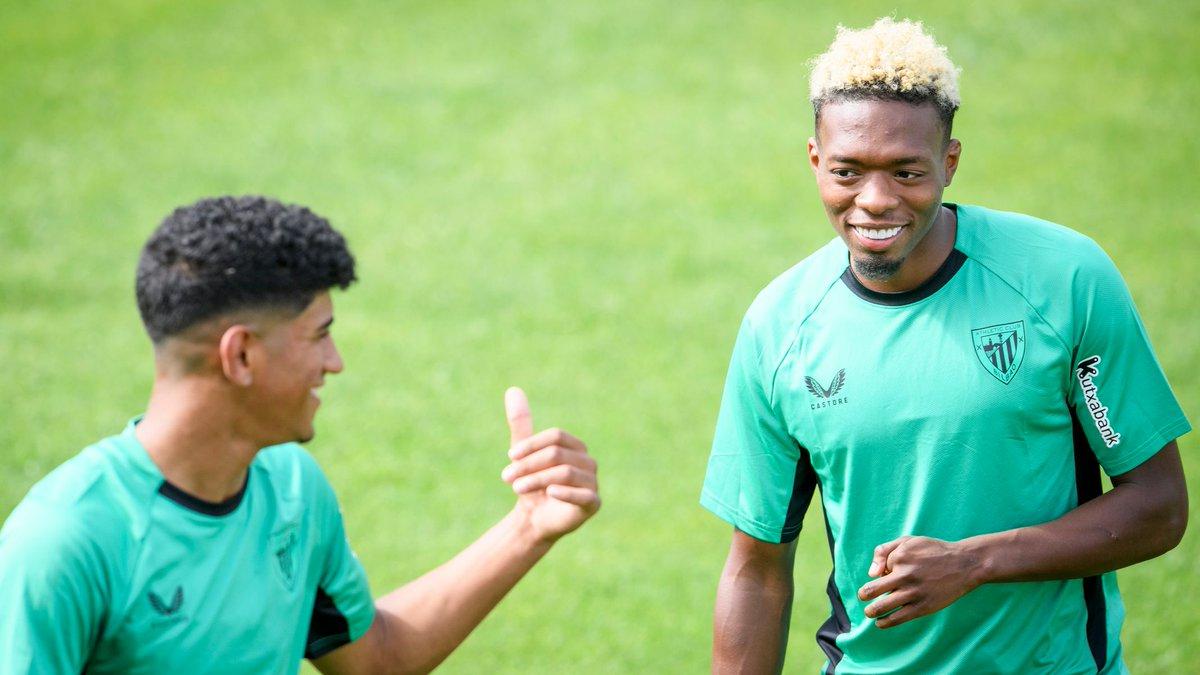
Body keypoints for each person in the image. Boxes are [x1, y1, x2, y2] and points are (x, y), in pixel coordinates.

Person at [701, 18, 1189, 674]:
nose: (874, 201)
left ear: (949, 162)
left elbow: (1158, 507)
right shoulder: (778, 328)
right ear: (816, 160)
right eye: (847, 171)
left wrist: (975, 561)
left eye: (906, 172)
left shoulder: (1064, 281)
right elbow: (756, 569)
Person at [0, 196, 601, 674]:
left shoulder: (290, 490)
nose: (334, 362)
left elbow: (376, 661)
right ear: (241, 356)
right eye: (319, 335)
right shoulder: (63, 543)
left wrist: (527, 529)